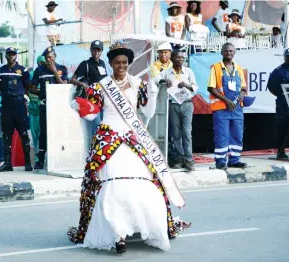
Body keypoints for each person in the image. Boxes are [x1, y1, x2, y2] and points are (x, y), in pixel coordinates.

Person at [67, 42, 189, 254]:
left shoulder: (138, 84)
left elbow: (148, 113)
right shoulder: (100, 86)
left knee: (146, 180)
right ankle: (118, 234)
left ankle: (144, 227)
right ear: (111, 63)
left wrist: (152, 94)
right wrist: (81, 108)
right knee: (107, 183)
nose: (121, 66)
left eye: (124, 62)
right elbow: (93, 114)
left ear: (129, 63)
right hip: (108, 136)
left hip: (133, 136)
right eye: (116, 62)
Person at [155, 50, 198, 171]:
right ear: (172, 58)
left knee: (187, 132)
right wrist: (164, 81)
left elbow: (195, 87)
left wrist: (186, 85)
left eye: (182, 58)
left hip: (187, 104)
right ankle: (179, 158)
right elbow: (156, 80)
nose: (180, 59)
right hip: (173, 104)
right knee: (176, 133)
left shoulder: (188, 71)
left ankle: (189, 159)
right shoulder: (167, 72)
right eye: (177, 57)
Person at [207, 43, 248, 170]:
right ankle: (220, 161)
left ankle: (234, 160)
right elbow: (211, 88)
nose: (229, 53)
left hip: (236, 108)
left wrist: (242, 93)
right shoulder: (216, 67)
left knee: (237, 134)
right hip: (221, 108)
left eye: (231, 51)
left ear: (234, 52)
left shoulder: (238, 68)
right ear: (222, 52)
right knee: (222, 135)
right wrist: (226, 100)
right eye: (226, 51)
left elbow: (243, 86)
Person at [0, 47, 33, 172]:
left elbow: (28, 86)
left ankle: (28, 163)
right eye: (9, 54)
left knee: (23, 134)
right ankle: (7, 163)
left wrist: (24, 97)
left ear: (16, 56)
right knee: (6, 135)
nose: (11, 57)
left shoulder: (22, 70)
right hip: (6, 106)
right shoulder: (1, 70)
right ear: (6, 56)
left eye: (13, 54)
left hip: (19, 105)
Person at [30, 46, 68, 170]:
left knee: (58, 132)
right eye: (47, 58)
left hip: (58, 106)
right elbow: (32, 87)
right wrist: (41, 93)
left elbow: (64, 86)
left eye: (51, 57)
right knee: (44, 132)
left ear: (55, 57)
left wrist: (55, 71)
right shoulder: (39, 70)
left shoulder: (62, 69)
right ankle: (40, 160)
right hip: (45, 105)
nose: (49, 60)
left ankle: (59, 159)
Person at [70, 40, 108, 146]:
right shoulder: (85, 64)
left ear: (101, 51)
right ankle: (92, 156)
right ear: (91, 50)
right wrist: (82, 84)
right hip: (91, 101)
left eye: (99, 50)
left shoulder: (102, 63)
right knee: (96, 129)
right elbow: (72, 79)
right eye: (94, 50)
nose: (96, 53)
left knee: (103, 127)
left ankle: (100, 155)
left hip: (103, 101)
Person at [28, 56, 46, 163]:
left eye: (44, 62)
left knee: (42, 133)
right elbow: (29, 89)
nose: (42, 64)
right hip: (33, 109)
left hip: (43, 109)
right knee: (34, 134)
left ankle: (43, 155)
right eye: (41, 63)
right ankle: (36, 156)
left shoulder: (47, 76)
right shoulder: (32, 75)